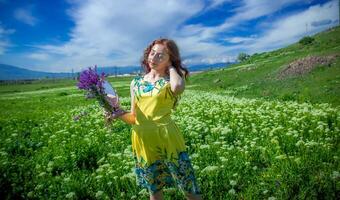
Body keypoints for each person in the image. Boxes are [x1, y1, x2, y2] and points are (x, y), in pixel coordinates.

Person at [105, 38, 202, 200]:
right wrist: (118, 112)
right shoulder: (135, 83)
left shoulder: (170, 81)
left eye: (161, 56)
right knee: (154, 188)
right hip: (142, 139)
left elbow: (178, 88)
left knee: (187, 185)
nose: (154, 58)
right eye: (152, 53)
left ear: (170, 59)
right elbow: (134, 117)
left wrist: (171, 67)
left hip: (166, 137)